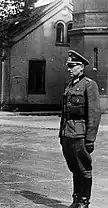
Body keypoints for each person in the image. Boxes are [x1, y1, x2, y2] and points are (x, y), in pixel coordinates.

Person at [59, 50, 102, 208]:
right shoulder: (69, 86)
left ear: (81, 67)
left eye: (72, 66)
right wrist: (61, 135)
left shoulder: (89, 85)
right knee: (74, 168)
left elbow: (94, 114)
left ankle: (84, 201)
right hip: (67, 134)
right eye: (68, 66)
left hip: (80, 134)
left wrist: (90, 139)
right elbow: (64, 114)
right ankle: (76, 199)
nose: (69, 69)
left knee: (83, 168)